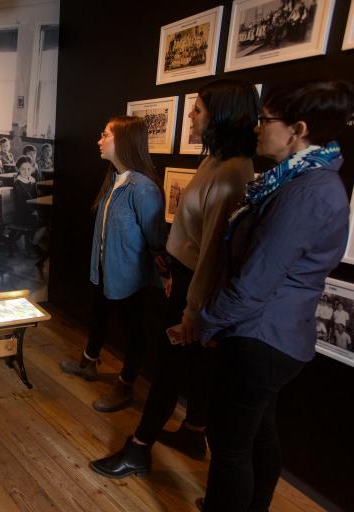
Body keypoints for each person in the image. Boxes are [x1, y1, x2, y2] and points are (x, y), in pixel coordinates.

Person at [196, 80, 352, 512]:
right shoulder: (303, 181)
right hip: (276, 335)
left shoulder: (306, 192)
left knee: (228, 445)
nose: (257, 128)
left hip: (261, 336)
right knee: (258, 433)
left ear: (297, 129)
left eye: (266, 120)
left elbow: (254, 281)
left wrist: (206, 322)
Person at [91, 79, 259, 477]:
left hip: (196, 288)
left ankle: (139, 447)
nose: (192, 117)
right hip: (184, 279)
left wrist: (191, 308)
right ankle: (193, 430)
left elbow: (214, 255)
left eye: (198, 110)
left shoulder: (233, 172)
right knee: (194, 365)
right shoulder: (214, 161)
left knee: (169, 368)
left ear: (221, 116)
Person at [59, 116, 165, 411]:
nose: (99, 140)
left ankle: (126, 385)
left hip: (132, 277)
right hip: (106, 269)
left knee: (135, 332)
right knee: (99, 315)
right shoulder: (114, 180)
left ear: (124, 141)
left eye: (105, 135)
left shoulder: (142, 188)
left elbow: (156, 239)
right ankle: (89, 361)